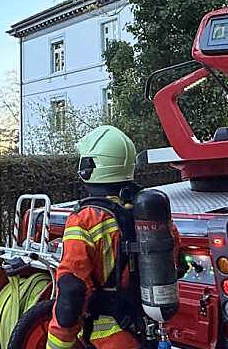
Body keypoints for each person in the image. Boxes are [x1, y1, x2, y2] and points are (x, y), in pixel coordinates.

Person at [46, 126, 184, 349]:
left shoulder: (86, 219)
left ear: (89, 168)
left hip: (108, 339)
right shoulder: (147, 211)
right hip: (145, 330)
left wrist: (57, 344)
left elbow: (72, 290)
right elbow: (176, 262)